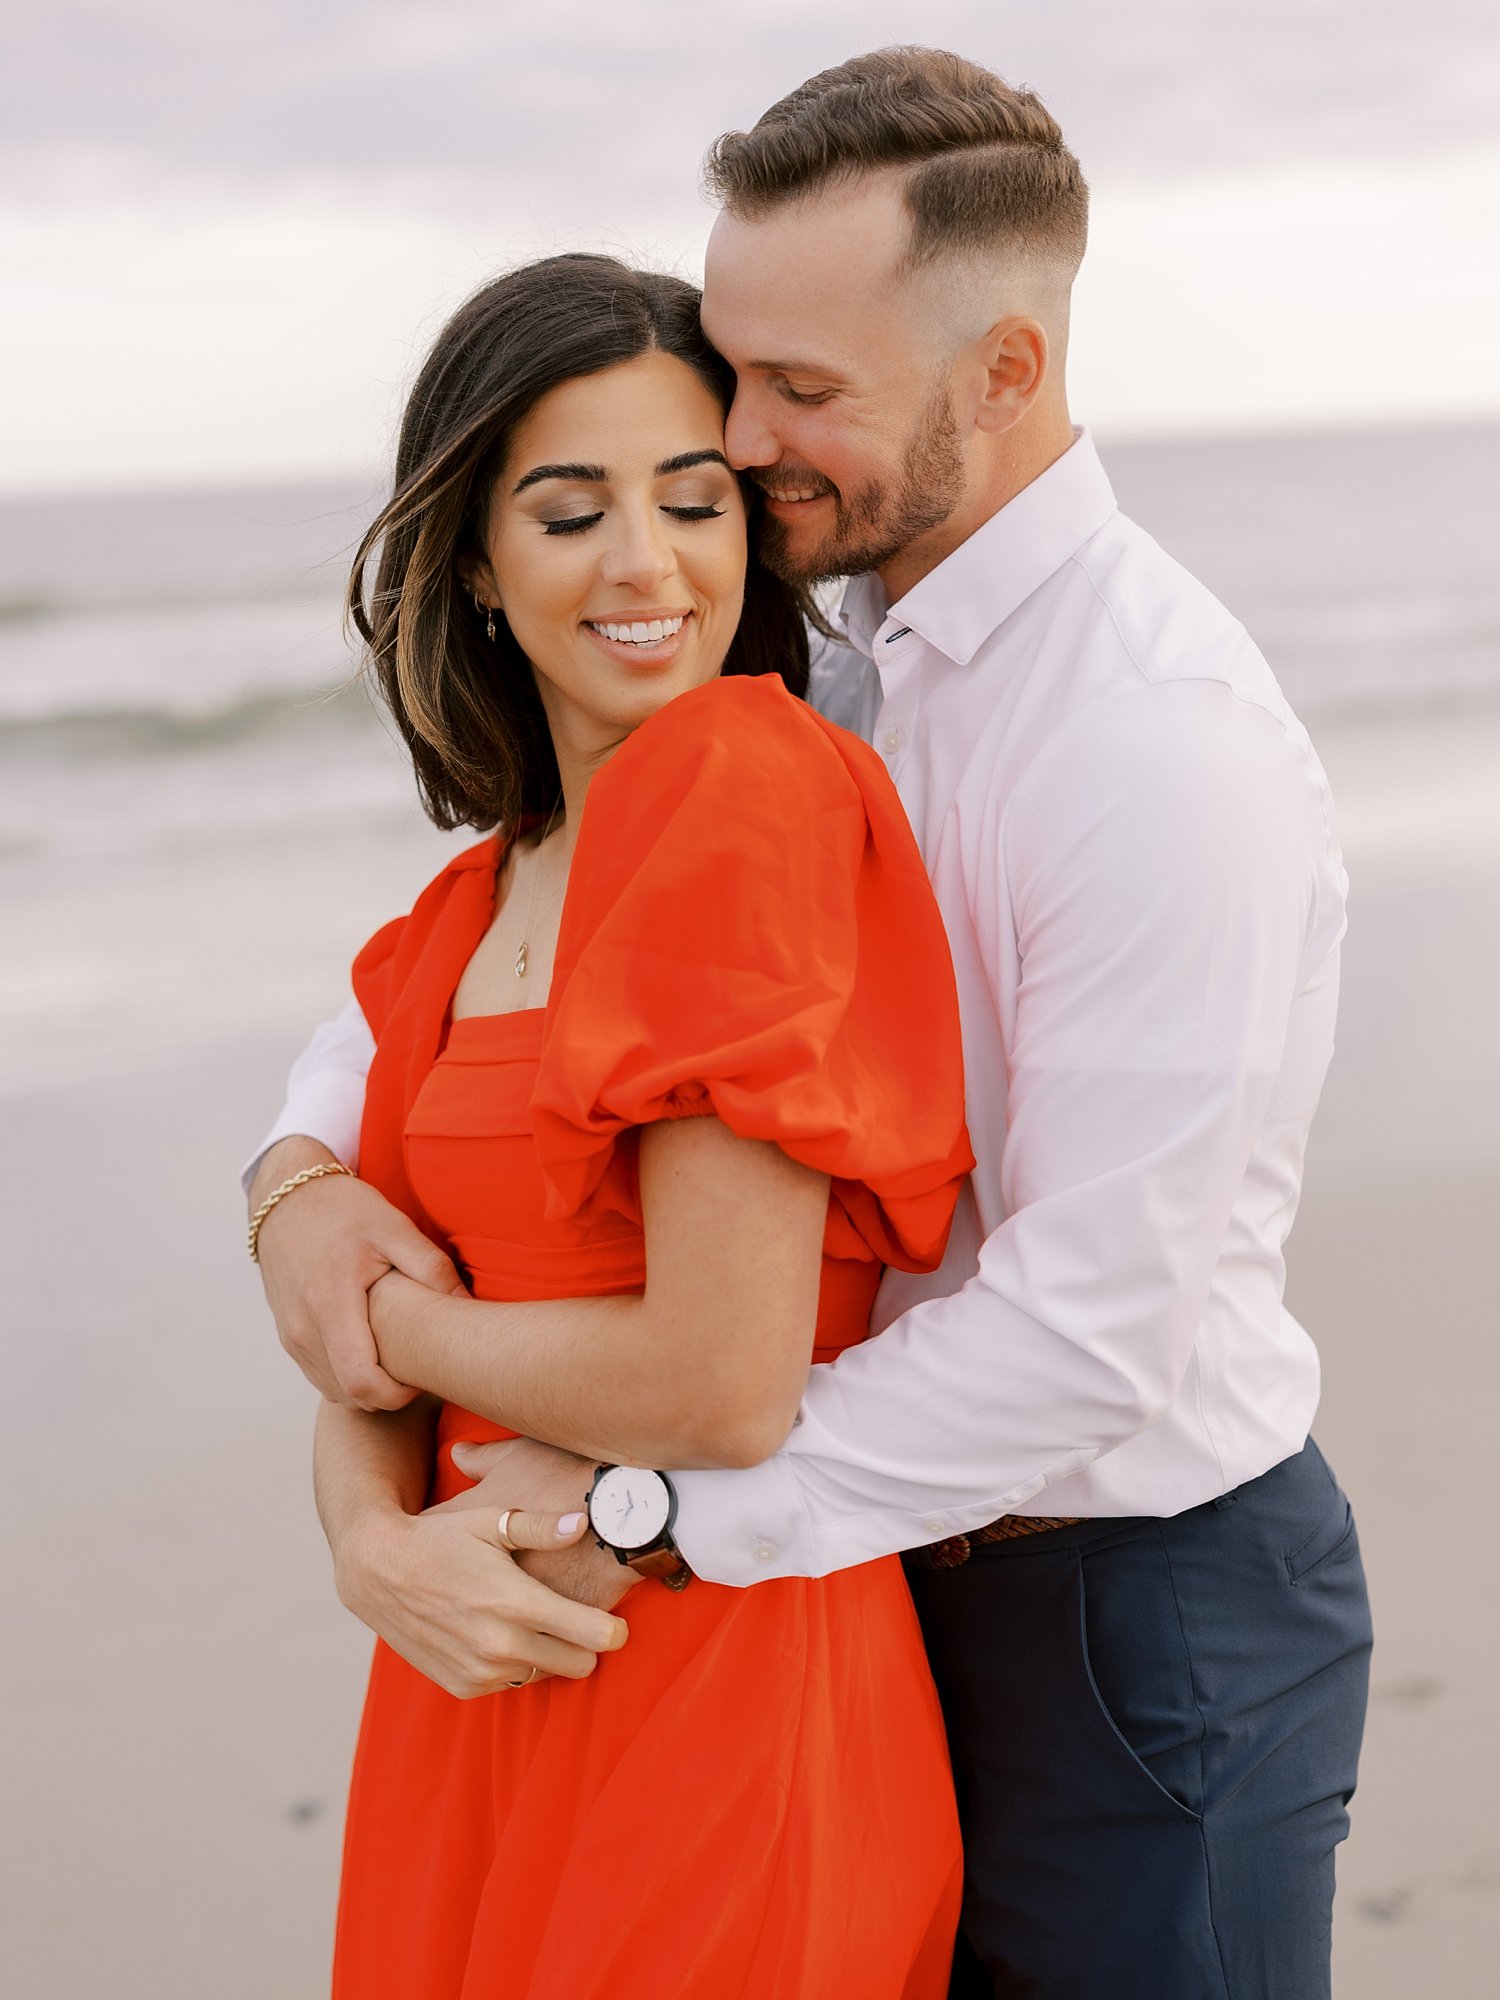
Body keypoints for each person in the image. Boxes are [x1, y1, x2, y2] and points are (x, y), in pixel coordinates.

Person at [248, 49, 1373, 2000]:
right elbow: (452, 1006)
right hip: (832, 1574)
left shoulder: (1152, 739)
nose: (745, 442)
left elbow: (1092, 1318)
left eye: (802, 393)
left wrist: (653, 1502)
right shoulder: (813, 650)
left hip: (1126, 1613)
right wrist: (289, 1185)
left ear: (1005, 372)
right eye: (736, 372)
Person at [271, 250, 973, 1997]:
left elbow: (717, 1385)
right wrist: (370, 1547)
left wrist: (400, 1323)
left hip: (708, 1679)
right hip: (466, 1669)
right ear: (482, 572)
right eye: (572, 512)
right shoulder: (461, 907)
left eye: (696, 500)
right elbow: (342, 1321)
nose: (649, 564)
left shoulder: (742, 790)